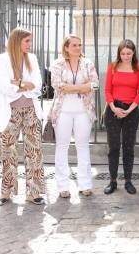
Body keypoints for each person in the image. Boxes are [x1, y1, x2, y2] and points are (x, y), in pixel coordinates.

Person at [0, 27, 46, 206]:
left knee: (34, 152)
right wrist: (25, 85)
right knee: (8, 151)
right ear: (17, 41)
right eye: (27, 41)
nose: (30, 44)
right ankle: (6, 192)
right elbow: (5, 86)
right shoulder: (2, 59)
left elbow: (38, 85)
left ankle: (34, 192)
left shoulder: (33, 58)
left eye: (30, 41)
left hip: (31, 110)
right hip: (9, 111)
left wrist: (19, 84)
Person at [48, 35, 99, 198]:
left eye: (80, 44)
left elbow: (95, 84)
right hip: (63, 111)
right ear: (66, 47)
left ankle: (85, 185)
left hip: (83, 111)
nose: (78, 47)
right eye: (74, 45)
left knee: (83, 146)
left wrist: (72, 87)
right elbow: (57, 85)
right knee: (62, 147)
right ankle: (63, 186)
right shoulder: (57, 64)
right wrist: (82, 87)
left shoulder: (88, 63)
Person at [103, 39, 139, 195]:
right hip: (113, 110)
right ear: (119, 53)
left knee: (129, 147)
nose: (126, 56)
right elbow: (107, 90)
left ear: (133, 53)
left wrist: (129, 110)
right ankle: (112, 181)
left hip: (131, 111)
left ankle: (128, 181)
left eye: (129, 53)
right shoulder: (112, 67)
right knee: (113, 147)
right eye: (123, 53)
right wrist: (114, 107)